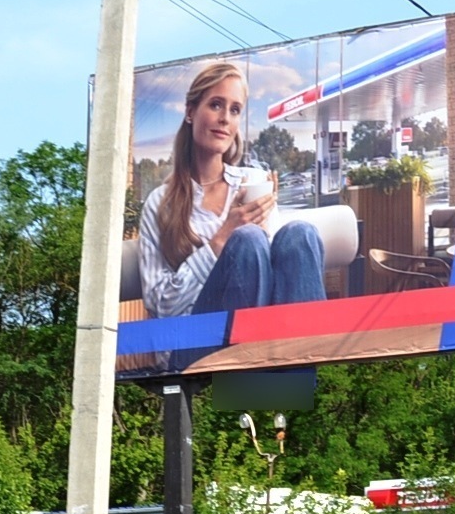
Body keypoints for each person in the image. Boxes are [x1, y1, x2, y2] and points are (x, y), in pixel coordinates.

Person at [138, 61, 325, 331]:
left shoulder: (254, 182)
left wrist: (264, 234)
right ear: (190, 112)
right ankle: (286, 355)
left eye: (235, 110)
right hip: (195, 339)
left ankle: (305, 351)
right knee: (247, 239)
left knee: (301, 234)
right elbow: (160, 306)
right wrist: (222, 238)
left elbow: (283, 281)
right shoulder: (160, 203)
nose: (225, 118)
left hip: (267, 333)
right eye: (216, 105)